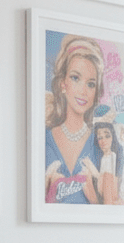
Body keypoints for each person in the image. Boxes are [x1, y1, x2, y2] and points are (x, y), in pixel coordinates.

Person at [44, 34, 105, 205]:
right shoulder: (44, 139)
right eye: (75, 78)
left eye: (91, 84)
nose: (83, 91)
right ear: (62, 84)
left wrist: (94, 198)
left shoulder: (100, 142)